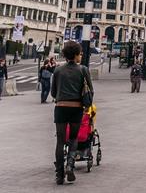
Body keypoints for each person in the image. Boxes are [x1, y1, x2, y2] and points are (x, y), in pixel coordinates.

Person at [51, 40, 94, 184]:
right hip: (76, 108)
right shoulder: (83, 70)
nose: (81, 56)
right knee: (74, 138)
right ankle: (70, 164)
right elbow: (91, 90)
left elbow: (53, 92)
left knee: (60, 141)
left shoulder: (57, 70)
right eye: (80, 54)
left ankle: (59, 174)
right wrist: (87, 105)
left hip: (61, 107)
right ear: (75, 55)